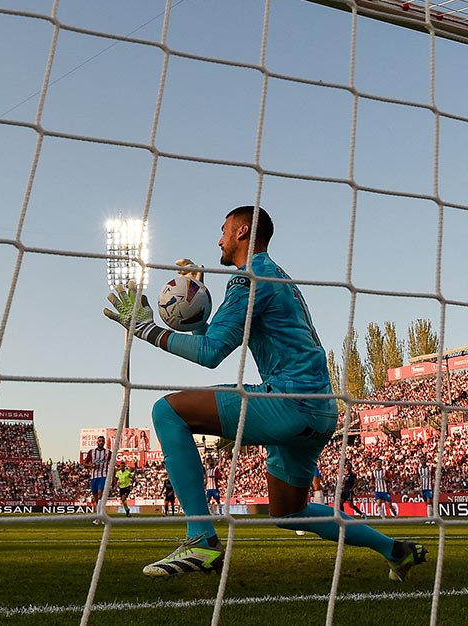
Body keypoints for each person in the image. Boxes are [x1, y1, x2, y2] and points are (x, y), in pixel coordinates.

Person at [103, 206, 426, 581]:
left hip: (288, 401)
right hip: (321, 410)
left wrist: (144, 329)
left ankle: (201, 538)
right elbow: (213, 340)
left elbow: (210, 355)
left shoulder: (247, 279)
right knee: (289, 512)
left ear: (242, 232)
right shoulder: (274, 277)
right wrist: (199, 312)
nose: (218, 240)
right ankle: (396, 551)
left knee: (166, 411)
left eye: (223, 230)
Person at [83, 435, 111, 524]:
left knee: (100, 495)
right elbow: (84, 463)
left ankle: (98, 518)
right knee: (96, 499)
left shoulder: (108, 453)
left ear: (104, 442)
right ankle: (102, 515)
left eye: (102, 441)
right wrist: (90, 465)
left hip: (103, 476)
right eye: (99, 441)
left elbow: (113, 463)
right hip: (94, 477)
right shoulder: (92, 452)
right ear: (97, 442)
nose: (101, 442)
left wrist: (113, 476)